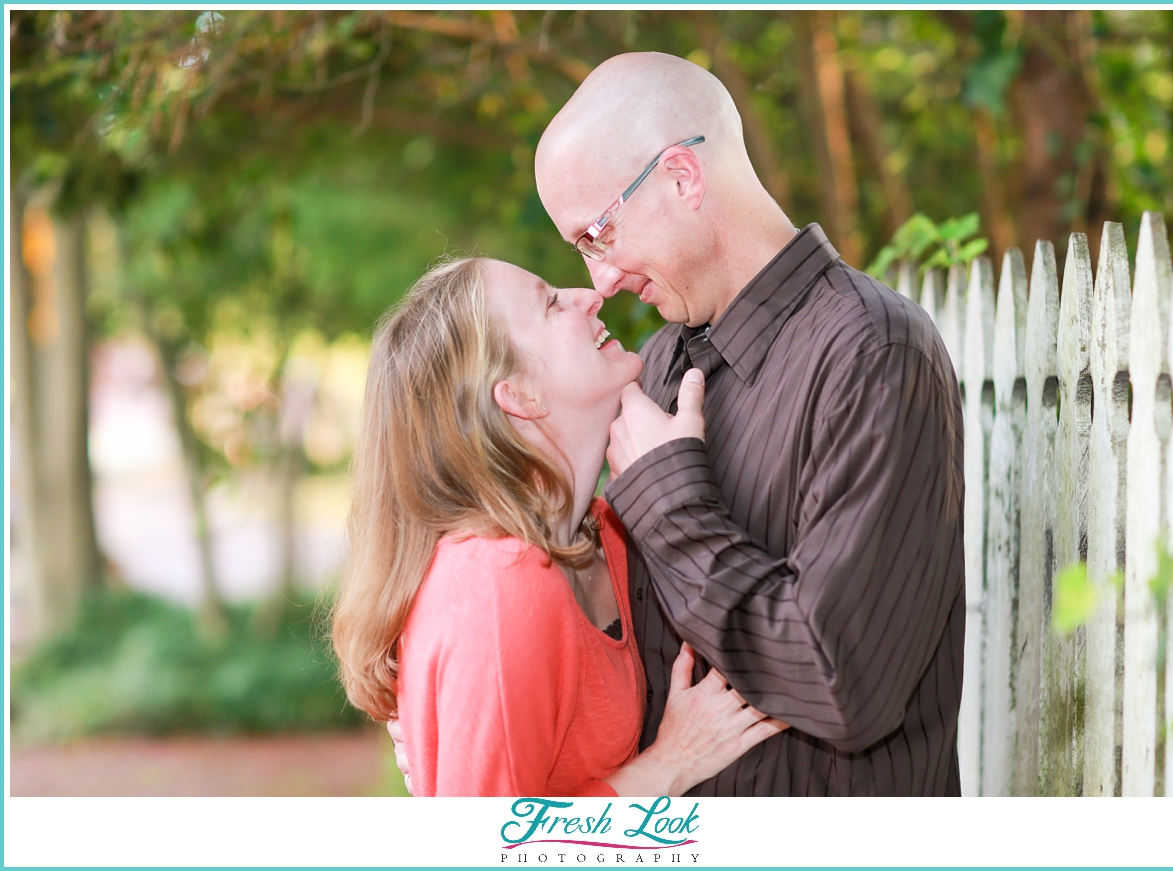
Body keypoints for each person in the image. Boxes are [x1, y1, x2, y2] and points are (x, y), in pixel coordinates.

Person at [530, 51, 966, 796]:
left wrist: (669, 501)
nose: (600, 280)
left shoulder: (876, 351)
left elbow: (843, 684)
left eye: (597, 234)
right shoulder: (662, 364)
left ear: (681, 177)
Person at [331, 256, 785, 797]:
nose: (589, 295)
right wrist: (671, 763)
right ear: (518, 396)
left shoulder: (607, 535)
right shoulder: (500, 582)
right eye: (549, 302)